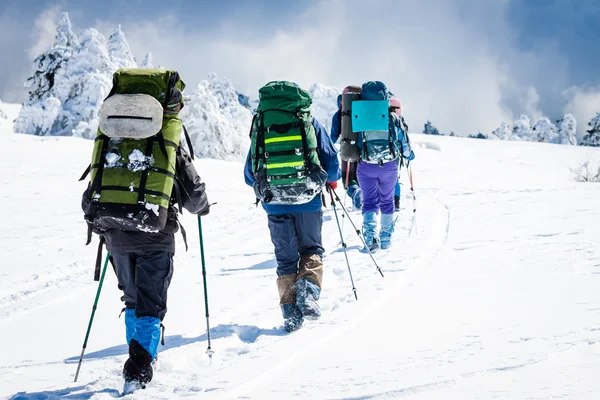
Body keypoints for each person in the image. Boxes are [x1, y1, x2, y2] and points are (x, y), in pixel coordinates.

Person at [81, 69, 210, 391]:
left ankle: (139, 355)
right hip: (155, 234)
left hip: (115, 233)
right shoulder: (167, 143)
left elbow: (94, 185)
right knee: (151, 304)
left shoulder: (111, 136)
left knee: (132, 300)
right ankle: (138, 369)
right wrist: (202, 207)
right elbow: (193, 196)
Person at [244, 81, 340, 332]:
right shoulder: (309, 123)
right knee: (311, 248)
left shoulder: (262, 125)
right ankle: (308, 292)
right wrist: (327, 180)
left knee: (285, 259)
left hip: (274, 203)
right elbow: (332, 165)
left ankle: (290, 312)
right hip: (308, 200)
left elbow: (249, 174)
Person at [356, 83, 414, 252]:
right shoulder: (392, 117)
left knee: (369, 202)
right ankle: (386, 239)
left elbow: (352, 141)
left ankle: (370, 236)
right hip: (388, 166)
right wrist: (409, 156)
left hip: (365, 166)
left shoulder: (359, 115)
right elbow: (404, 144)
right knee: (387, 202)